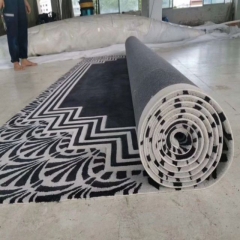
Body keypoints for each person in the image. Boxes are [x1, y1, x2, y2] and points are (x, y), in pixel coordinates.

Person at [0, 0, 37, 71]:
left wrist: (25, 2)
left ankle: (24, 59)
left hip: (20, 2)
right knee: (12, 33)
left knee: (23, 30)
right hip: (9, 3)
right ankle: (15, 62)